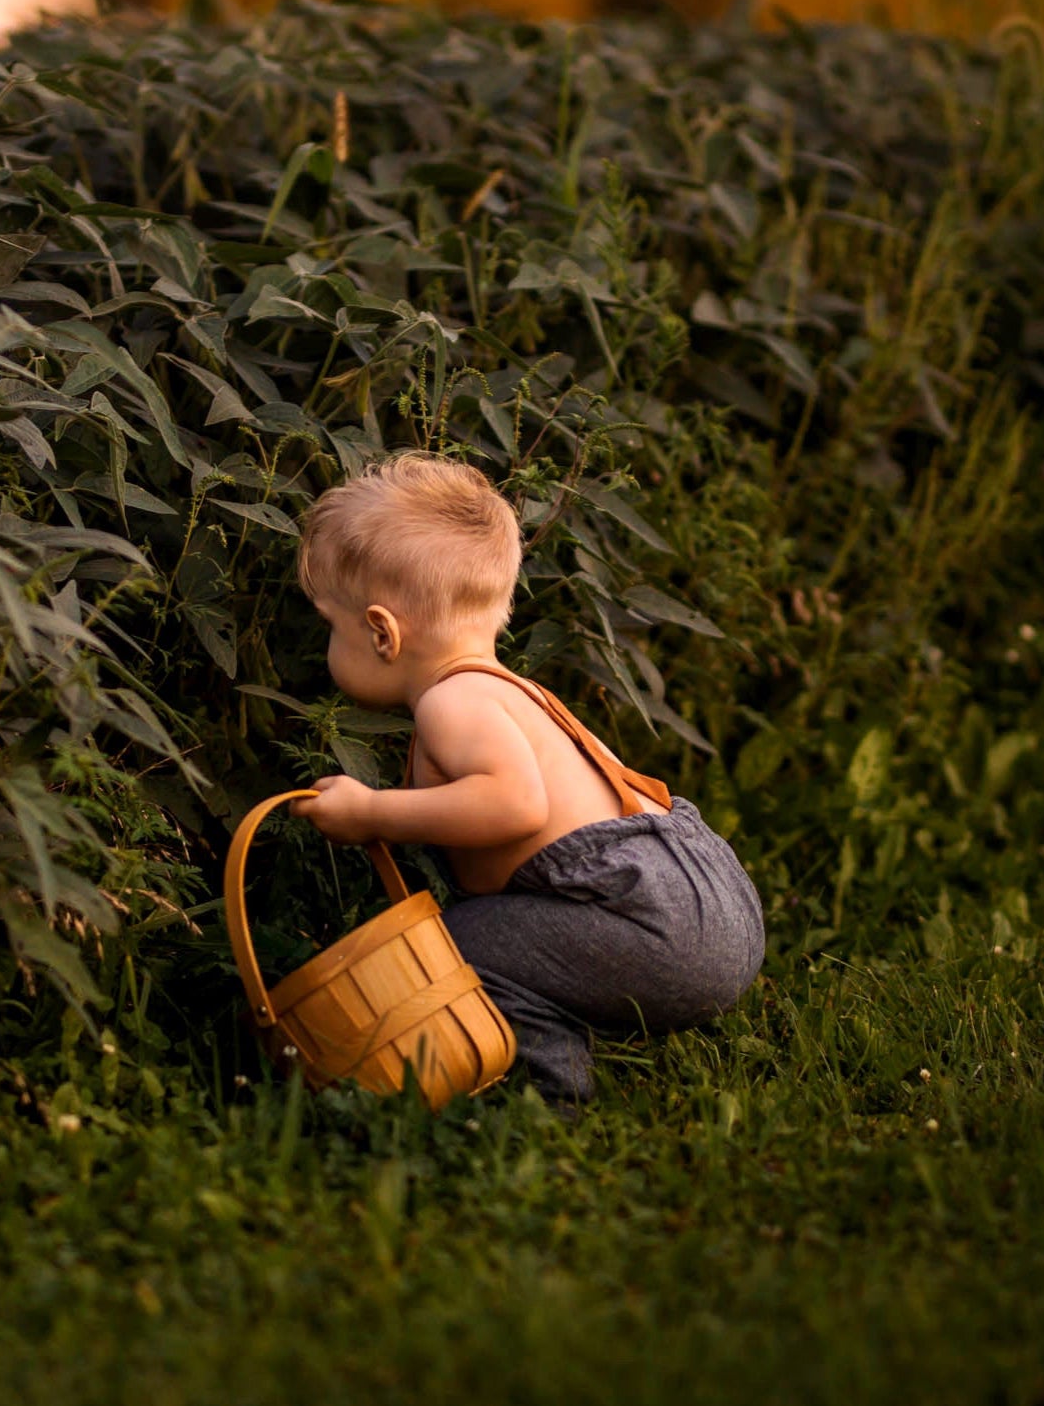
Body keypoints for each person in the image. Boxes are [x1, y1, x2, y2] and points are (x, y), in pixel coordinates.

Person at [295, 452, 764, 1106]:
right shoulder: (510, 692)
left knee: (457, 951)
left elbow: (515, 804)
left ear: (381, 632)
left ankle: (545, 1100)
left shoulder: (450, 703)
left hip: (660, 922)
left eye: (330, 627)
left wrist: (373, 813)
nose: (329, 647)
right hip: (710, 903)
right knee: (495, 934)